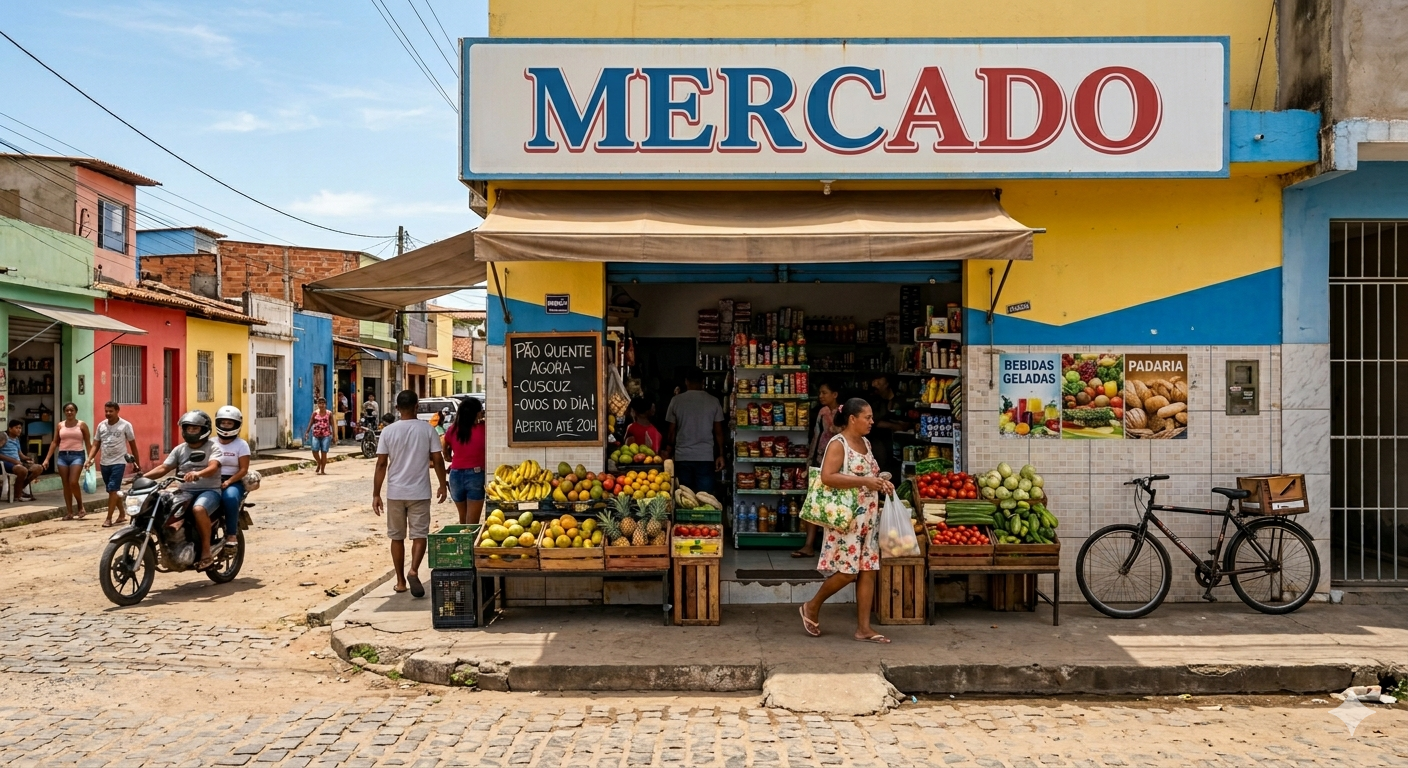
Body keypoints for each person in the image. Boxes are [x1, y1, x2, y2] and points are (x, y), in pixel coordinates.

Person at [799, 397, 895, 644]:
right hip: (848, 519)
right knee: (847, 572)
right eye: (868, 417)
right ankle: (811, 606)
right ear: (852, 419)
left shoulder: (865, 442)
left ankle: (864, 628)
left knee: (867, 571)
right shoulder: (837, 444)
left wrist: (881, 482)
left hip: (868, 518)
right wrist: (865, 481)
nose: (872, 422)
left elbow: (868, 475)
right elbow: (827, 477)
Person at [371, 389, 448, 598]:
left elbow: (381, 464)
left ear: (397, 409)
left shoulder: (388, 431)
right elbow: (438, 459)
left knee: (396, 537)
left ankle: (400, 581)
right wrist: (443, 483)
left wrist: (376, 494)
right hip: (420, 491)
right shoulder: (427, 430)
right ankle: (414, 569)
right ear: (417, 407)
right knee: (419, 534)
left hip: (395, 492)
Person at [143, 411, 222, 569]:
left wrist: (197, 474)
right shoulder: (180, 449)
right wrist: (142, 477)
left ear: (204, 430)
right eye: (188, 428)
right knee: (161, 504)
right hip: (184, 490)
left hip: (209, 490)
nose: (191, 431)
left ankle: (206, 552)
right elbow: (165, 467)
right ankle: (172, 542)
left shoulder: (213, 447)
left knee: (198, 509)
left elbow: (213, 466)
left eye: (195, 428)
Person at [793, 380, 842, 558]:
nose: (821, 396)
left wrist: (836, 428)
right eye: (820, 393)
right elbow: (816, 436)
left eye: (824, 392)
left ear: (835, 394)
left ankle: (833, 546)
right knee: (813, 502)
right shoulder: (822, 412)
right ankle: (809, 545)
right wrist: (810, 460)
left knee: (834, 505)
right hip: (819, 460)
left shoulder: (845, 412)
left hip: (837, 463)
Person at [664, 368, 724, 495]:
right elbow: (719, 432)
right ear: (703, 382)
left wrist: (669, 453)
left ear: (686, 381)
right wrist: (721, 454)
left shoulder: (676, 401)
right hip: (705, 457)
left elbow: (671, 432)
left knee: (685, 499)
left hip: (683, 457)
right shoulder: (713, 401)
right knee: (704, 498)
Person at [87, 402, 139, 527]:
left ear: (117, 411)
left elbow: (133, 445)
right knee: (112, 491)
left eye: (111, 411)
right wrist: (89, 459)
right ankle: (122, 514)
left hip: (119, 462)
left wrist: (137, 463)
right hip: (104, 462)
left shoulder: (125, 425)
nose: (108, 414)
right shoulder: (101, 426)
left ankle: (108, 518)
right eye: (106, 411)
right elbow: (96, 444)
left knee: (113, 489)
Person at [41, 402, 92, 520]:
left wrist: (90, 459)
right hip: (63, 456)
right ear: (64, 412)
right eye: (67, 410)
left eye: (72, 410)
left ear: (76, 411)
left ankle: (80, 506)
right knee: (66, 485)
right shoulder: (60, 425)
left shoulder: (82, 425)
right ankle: (69, 512)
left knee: (73, 482)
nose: (69, 412)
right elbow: (54, 442)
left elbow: (88, 443)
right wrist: (47, 459)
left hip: (77, 455)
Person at [440, 396, 485, 525]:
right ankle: (469, 544)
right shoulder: (483, 428)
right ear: (476, 413)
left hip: (455, 475)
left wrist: (447, 455)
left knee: (463, 519)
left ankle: (463, 543)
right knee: (472, 522)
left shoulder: (453, 429)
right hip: (475, 475)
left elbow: (445, 444)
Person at [213, 406, 251, 549]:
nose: (226, 426)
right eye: (223, 423)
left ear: (236, 425)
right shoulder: (211, 442)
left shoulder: (241, 445)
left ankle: (231, 534)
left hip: (233, 481)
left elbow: (243, 470)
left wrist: (229, 481)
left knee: (229, 498)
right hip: (210, 479)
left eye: (230, 423)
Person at [865, 373, 908, 477]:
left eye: (880, 382)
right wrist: (895, 426)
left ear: (887, 384)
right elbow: (874, 421)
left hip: (898, 444)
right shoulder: (875, 401)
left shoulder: (900, 401)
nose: (876, 384)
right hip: (880, 442)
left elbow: (906, 423)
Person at [0, 420, 41, 502]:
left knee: (38, 468)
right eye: (16, 428)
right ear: (10, 429)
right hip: (6, 463)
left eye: (20, 428)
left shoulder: (17, 439)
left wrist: (28, 459)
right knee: (22, 470)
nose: (19, 430)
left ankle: (18, 490)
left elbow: (20, 454)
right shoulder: (3, 437)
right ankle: (17, 495)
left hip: (18, 463)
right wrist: (14, 461)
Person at [303, 396, 334, 475]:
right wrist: (307, 432)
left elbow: (333, 424)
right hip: (316, 434)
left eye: (323, 403)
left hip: (326, 435)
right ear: (317, 404)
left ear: (325, 404)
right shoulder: (315, 413)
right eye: (320, 403)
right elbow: (311, 423)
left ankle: (322, 470)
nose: (321, 405)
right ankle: (319, 463)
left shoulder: (329, 413)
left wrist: (335, 435)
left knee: (324, 452)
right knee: (314, 450)